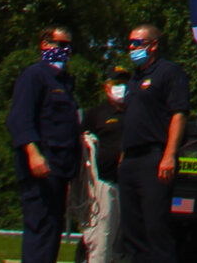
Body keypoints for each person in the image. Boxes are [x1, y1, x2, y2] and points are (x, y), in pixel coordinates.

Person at [114, 25, 191, 263]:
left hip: (154, 157)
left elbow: (179, 114)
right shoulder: (135, 79)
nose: (132, 48)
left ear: (153, 45)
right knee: (132, 229)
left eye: (137, 43)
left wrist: (169, 155)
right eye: (130, 43)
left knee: (155, 226)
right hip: (130, 159)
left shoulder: (168, 72)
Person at [8, 27, 82, 263]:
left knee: (52, 232)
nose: (63, 50)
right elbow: (19, 119)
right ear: (44, 44)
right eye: (58, 44)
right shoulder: (35, 76)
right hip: (40, 168)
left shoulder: (64, 81)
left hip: (59, 171)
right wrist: (33, 153)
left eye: (67, 45)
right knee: (40, 231)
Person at [76, 77, 126, 263]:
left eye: (124, 83)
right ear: (107, 87)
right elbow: (82, 145)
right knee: (102, 234)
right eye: (116, 83)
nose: (120, 87)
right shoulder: (96, 114)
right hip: (104, 183)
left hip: (129, 184)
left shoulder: (135, 112)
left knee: (122, 238)